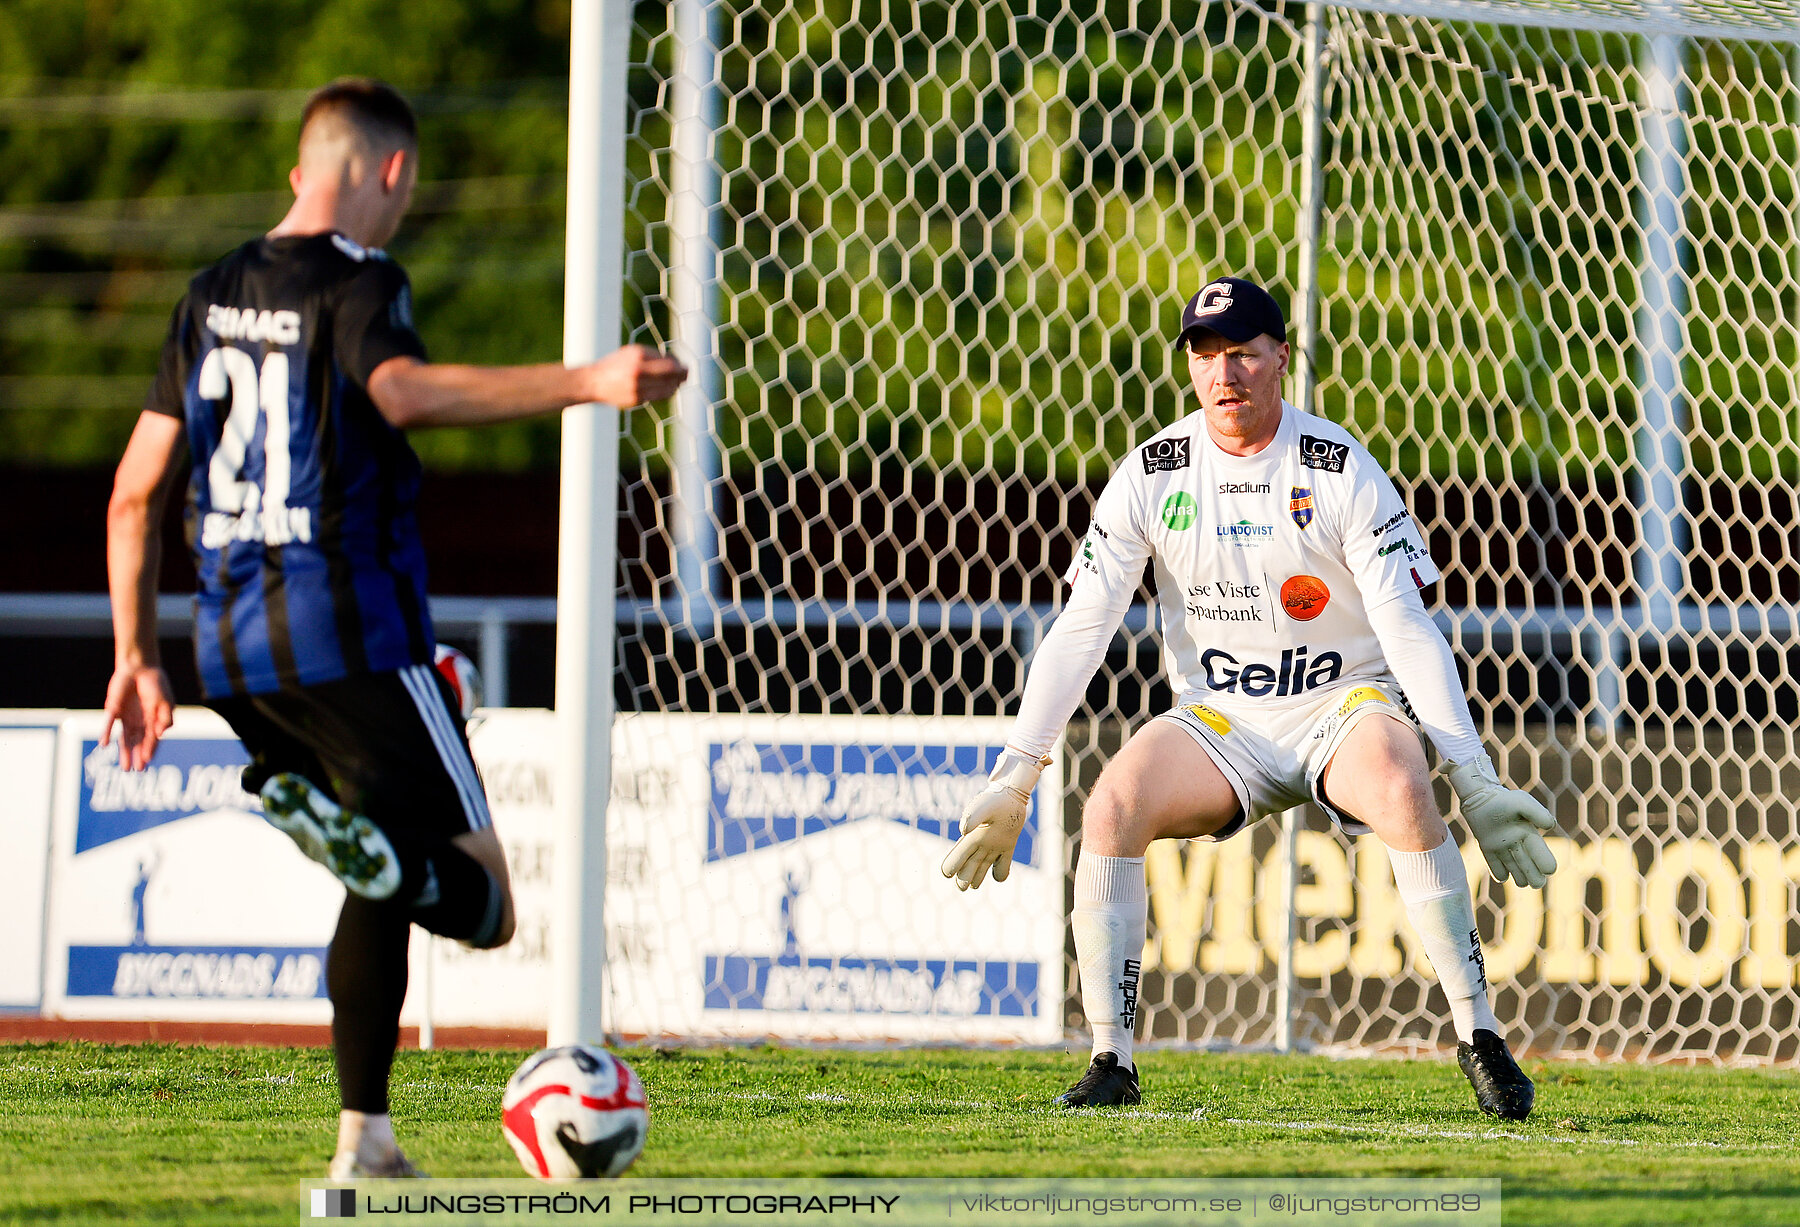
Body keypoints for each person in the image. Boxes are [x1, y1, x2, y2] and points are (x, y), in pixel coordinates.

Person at [102, 78, 687, 1177]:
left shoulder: (210, 292)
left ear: (297, 170)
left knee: (374, 868)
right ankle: (393, 869)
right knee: (485, 899)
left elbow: (133, 494)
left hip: (229, 652)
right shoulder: (359, 281)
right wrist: (593, 381)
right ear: (391, 172)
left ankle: (362, 1137)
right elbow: (406, 394)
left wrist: (135, 656)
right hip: (353, 634)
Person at [942, 277, 1557, 1118]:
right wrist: (1018, 775)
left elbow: (1408, 627)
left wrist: (1473, 775)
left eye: (1241, 353)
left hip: (1342, 704)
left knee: (1405, 788)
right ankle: (1110, 1059)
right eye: (1204, 355)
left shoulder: (1339, 467)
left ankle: (1479, 1034)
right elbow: (1082, 626)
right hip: (1222, 719)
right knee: (1112, 803)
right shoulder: (1153, 472)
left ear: (1281, 359)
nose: (1223, 373)